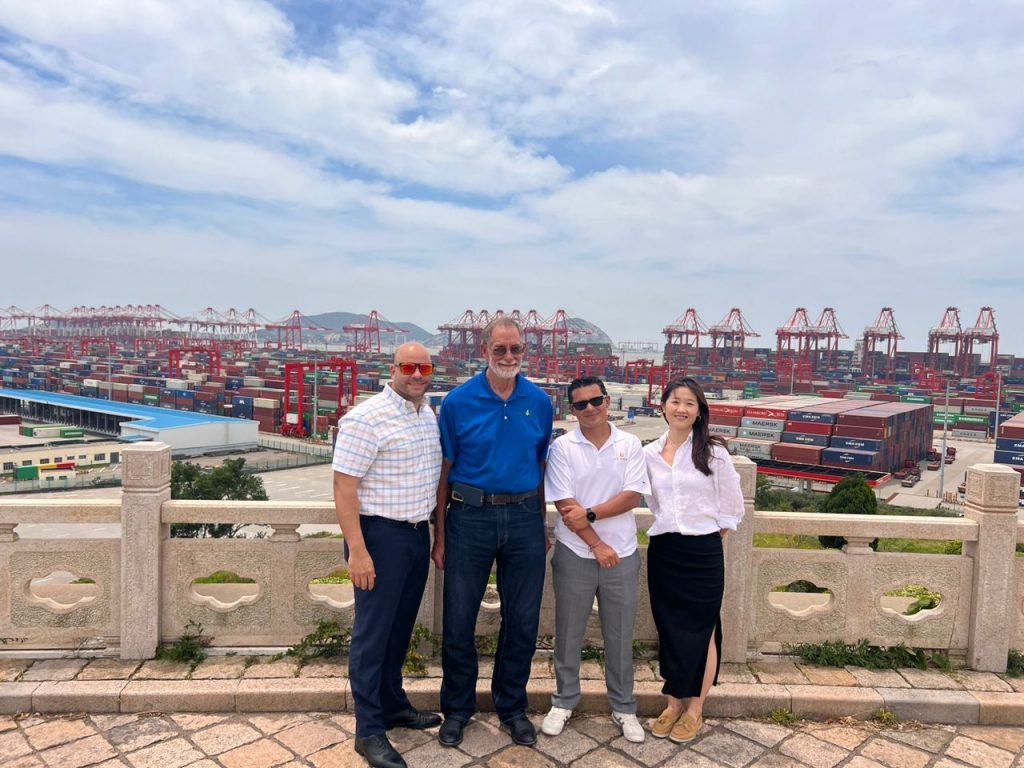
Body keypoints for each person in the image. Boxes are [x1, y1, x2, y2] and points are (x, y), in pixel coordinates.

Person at [432, 317, 553, 748]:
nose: (508, 357)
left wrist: (540, 525)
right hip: (470, 517)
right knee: (459, 619)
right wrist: (441, 535)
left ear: (525, 352)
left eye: (515, 350)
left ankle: (512, 706)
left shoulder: (539, 402)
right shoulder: (458, 402)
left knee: (522, 620)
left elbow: (540, 468)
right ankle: (458, 709)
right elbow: (444, 473)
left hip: (523, 518)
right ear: (484, 350)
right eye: (500, 349)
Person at [332, 342, 443, 768]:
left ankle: (393, 703)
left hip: (416, 535)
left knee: (399, 628)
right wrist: (357, 552)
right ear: (393, 369)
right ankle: (369, 730)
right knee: (372, 635)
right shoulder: (364, 418)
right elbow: (344, 488)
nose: (417, 374)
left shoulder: (426, 415)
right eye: (409, 367)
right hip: (379, 537)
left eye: (425, 367)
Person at [541, 376, 649, 743]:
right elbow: (563, 504)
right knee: (568, 632)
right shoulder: (562, 448)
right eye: (580, 404)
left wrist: (589, 518)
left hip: (622, 553)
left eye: (596, 400)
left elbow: (633, 496)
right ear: (571, 409)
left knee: (619, 636)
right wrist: (596, 543)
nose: (589, 409)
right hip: (574, 553)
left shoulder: (630, 444)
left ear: (608, 401)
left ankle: (624, 707)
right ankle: (564, 700)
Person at [643, 377, 745, 743]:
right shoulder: (649, 453)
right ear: (664, 406)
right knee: (670, 629)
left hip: (702, 553)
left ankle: (695, 709)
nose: (681, 408)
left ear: (699, 411)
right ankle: (672, 704)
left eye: (689, 403)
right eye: (675, 401)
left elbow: (732, 505)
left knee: (702, 631)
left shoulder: (713, 452)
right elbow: (651, 502)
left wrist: (713, 530)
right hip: (665, 551)